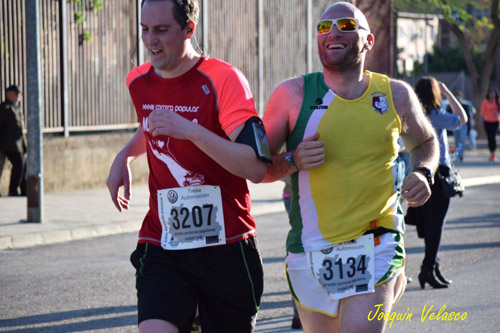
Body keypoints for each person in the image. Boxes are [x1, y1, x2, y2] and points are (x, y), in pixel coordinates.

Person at [261, 2, 439, 332]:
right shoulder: (292, 95)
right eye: (324, 28)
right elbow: (257, 169)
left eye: (345, 25)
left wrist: (423, 171)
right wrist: (292, 161)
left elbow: (426, 142)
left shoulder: (395, 94)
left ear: (368, 41)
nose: (333, 33)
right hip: (309, 249)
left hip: (376, 243)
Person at [106, 0, 269, 331]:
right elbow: (151, 124)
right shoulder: (138, 80)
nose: (150, 40)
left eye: (162, 30)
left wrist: (192, 131)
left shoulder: (224, 79)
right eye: (145, 29)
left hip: (226, 244)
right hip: (164, 241)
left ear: (189, 29)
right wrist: (124, 155)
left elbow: (255, 167)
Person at [407, 77, 467, 290]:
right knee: (436, 225)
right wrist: (448, 92)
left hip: (418, 172)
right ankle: (427, 268)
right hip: (438, 173)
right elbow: (462, 118)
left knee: (428, 223)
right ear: (434, 94)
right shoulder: (436, 116)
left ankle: (433, 267)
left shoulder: (413, 117)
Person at [0, 85, 27, 196]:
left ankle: (23, 190)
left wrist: (25, 145)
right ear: (9, 94)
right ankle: (13, 190)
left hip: (18, 144)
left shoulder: (16, 108)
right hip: (9, 144)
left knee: (23, 166)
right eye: (16, 94)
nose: (18, 97)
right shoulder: (5, 108)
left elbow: (21, 129)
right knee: (19, 164)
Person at [446, 91, 476, 161]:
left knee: (462, 140)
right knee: (457, 140)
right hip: (455, 125)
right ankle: (457, 154)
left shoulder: (465, 106)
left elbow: (467, 117)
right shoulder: (450, 106)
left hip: (463, 125)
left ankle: (461, 155)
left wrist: (469, 128)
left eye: (459, 97)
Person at [480, 87, 500, 162]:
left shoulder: (497, 101)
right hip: (487, 121)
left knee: (493, 136)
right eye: (491, 93)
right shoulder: (485, 101)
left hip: (495, 121)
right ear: (488, 94)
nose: (492, 95)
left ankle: (493, 153)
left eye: (493, 93)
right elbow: (482, 112)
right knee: (489, 137)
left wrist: (498, 113)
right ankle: (491, 153)